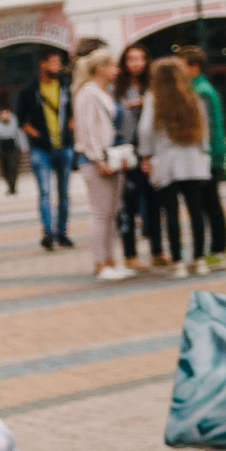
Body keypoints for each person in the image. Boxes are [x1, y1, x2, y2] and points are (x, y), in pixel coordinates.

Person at [145, 57, 212, 276]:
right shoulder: (191, 97)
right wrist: (204, 152)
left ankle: (178, 261)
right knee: (196, 211)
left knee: (171, 213)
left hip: (166, 161)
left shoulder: (153, 99)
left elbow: (146, 131)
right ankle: (199, 259)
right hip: (192, 160)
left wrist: (146, 154)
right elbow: (204, 128)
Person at [73, 49, 131, 282]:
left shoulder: (102, 92)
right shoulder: (88, 93)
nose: (117, 70)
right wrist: (98, 159)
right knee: (101, 213)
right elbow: (87, 129)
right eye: (113, 65)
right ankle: (100, 263)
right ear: (100, 68)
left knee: (111, 212)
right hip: (96, 159)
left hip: (110, 157)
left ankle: (111, 260)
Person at [13, 50, 75, 249]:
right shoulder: (30, 90)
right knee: (45, 193)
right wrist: (36, 134)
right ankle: (48, 233)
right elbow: (21, 119)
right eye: (53, 62)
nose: (57, 66)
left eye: (59, 62)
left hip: (63, 146)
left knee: (64, 193)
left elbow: (72, 112)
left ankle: (62, 232)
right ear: (43, 64)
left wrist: (70, 129)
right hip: (41, 149)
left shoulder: (65, 86)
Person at [179, 45, 226, 272]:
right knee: (209, 204)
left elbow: (209, 127)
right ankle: (217, 250)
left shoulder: (201, 90)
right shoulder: (198, 88)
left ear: (194, 66)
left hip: (209, 156)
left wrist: (211, 155)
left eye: (182, 66)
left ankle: (219, 250)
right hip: (210, 154)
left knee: (211, 204)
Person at [114, 44, 161, 270]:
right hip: (127, 148)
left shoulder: (153, 84)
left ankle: (158, 251)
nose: (136, 63)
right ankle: (130, 255)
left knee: (154, 201)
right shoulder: (118, 88)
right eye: (131, 59)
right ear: (124, 63)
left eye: (140, 58)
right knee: (129, 204)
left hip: (151, 148)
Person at [0, 108, 27, 195]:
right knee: (5, 168)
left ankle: (13, 186)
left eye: (6, 114)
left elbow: (20, 135)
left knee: (13, 167)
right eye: (2, 114)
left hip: (13, 148)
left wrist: (24, 147)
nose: (4, 116)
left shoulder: (15, 123)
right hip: (2, 149)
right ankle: (9, 186)